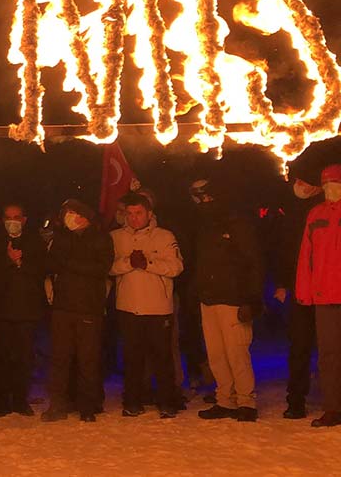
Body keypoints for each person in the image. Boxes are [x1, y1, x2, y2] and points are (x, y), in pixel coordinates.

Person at [191, 178, 262, 422]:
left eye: (207, 196)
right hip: (209, 297)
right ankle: (225, 399)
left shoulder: (238, 223)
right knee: (216, 354)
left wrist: (251, 300)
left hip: (233, 299)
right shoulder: (203, 225)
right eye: (198, 198)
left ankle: (246, 401)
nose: (203, 202)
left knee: (237, 353)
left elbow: (253, 263)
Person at [110, 192, 184, 418]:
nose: (133, 218)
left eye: (138, 213)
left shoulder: (164, 236)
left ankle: (167, 402)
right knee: (132, 357)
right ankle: (132, 401)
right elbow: (107, 268)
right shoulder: (115, 237)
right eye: (129, 214)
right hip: (128, 306)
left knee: (162, 357)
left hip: (158, 307)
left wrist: (148, 263)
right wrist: (127, 263)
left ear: (149, 213)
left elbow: (176, 267)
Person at [42, 199, 113, 423]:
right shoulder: (61, 238)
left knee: (88, 359)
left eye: (74, 213)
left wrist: (70, 264)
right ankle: (58, 404)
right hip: (63, 307)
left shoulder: (100, 238)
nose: (69, 217)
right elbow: (51, 264)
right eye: (67, 213)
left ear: (85, 216)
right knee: (60, 358)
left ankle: (89, 405)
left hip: (88, 307)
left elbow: (101, 268)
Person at [296, 165, 341, 427]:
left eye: (335, 182)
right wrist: (304, 291)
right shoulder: (315, 214)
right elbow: (306, 256)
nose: (331, 188)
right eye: (327, 184)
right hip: (325, 295)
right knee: (328, 355)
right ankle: (333, 408)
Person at [0, 202, 46, 416]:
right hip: (1, 310)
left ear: (24, 219)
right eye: (8, 217)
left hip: (27, 310)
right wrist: (7, 261)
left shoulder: (35, 242)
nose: (12, 221)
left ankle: (20, 399)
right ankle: (2, 400)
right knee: (2, 356)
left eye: (17, 217)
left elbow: (43, 269)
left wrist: (20, 263)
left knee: (25, 357)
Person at [278, 177, 321, 419]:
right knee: (299, 345)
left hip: (327, 285)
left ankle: (332, 398)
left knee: (330, 346)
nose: (302, 186)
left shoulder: (327, 208)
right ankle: (296, 400)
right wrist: (282, 282)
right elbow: (282, 249)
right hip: (299, 288)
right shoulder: (290, 211)